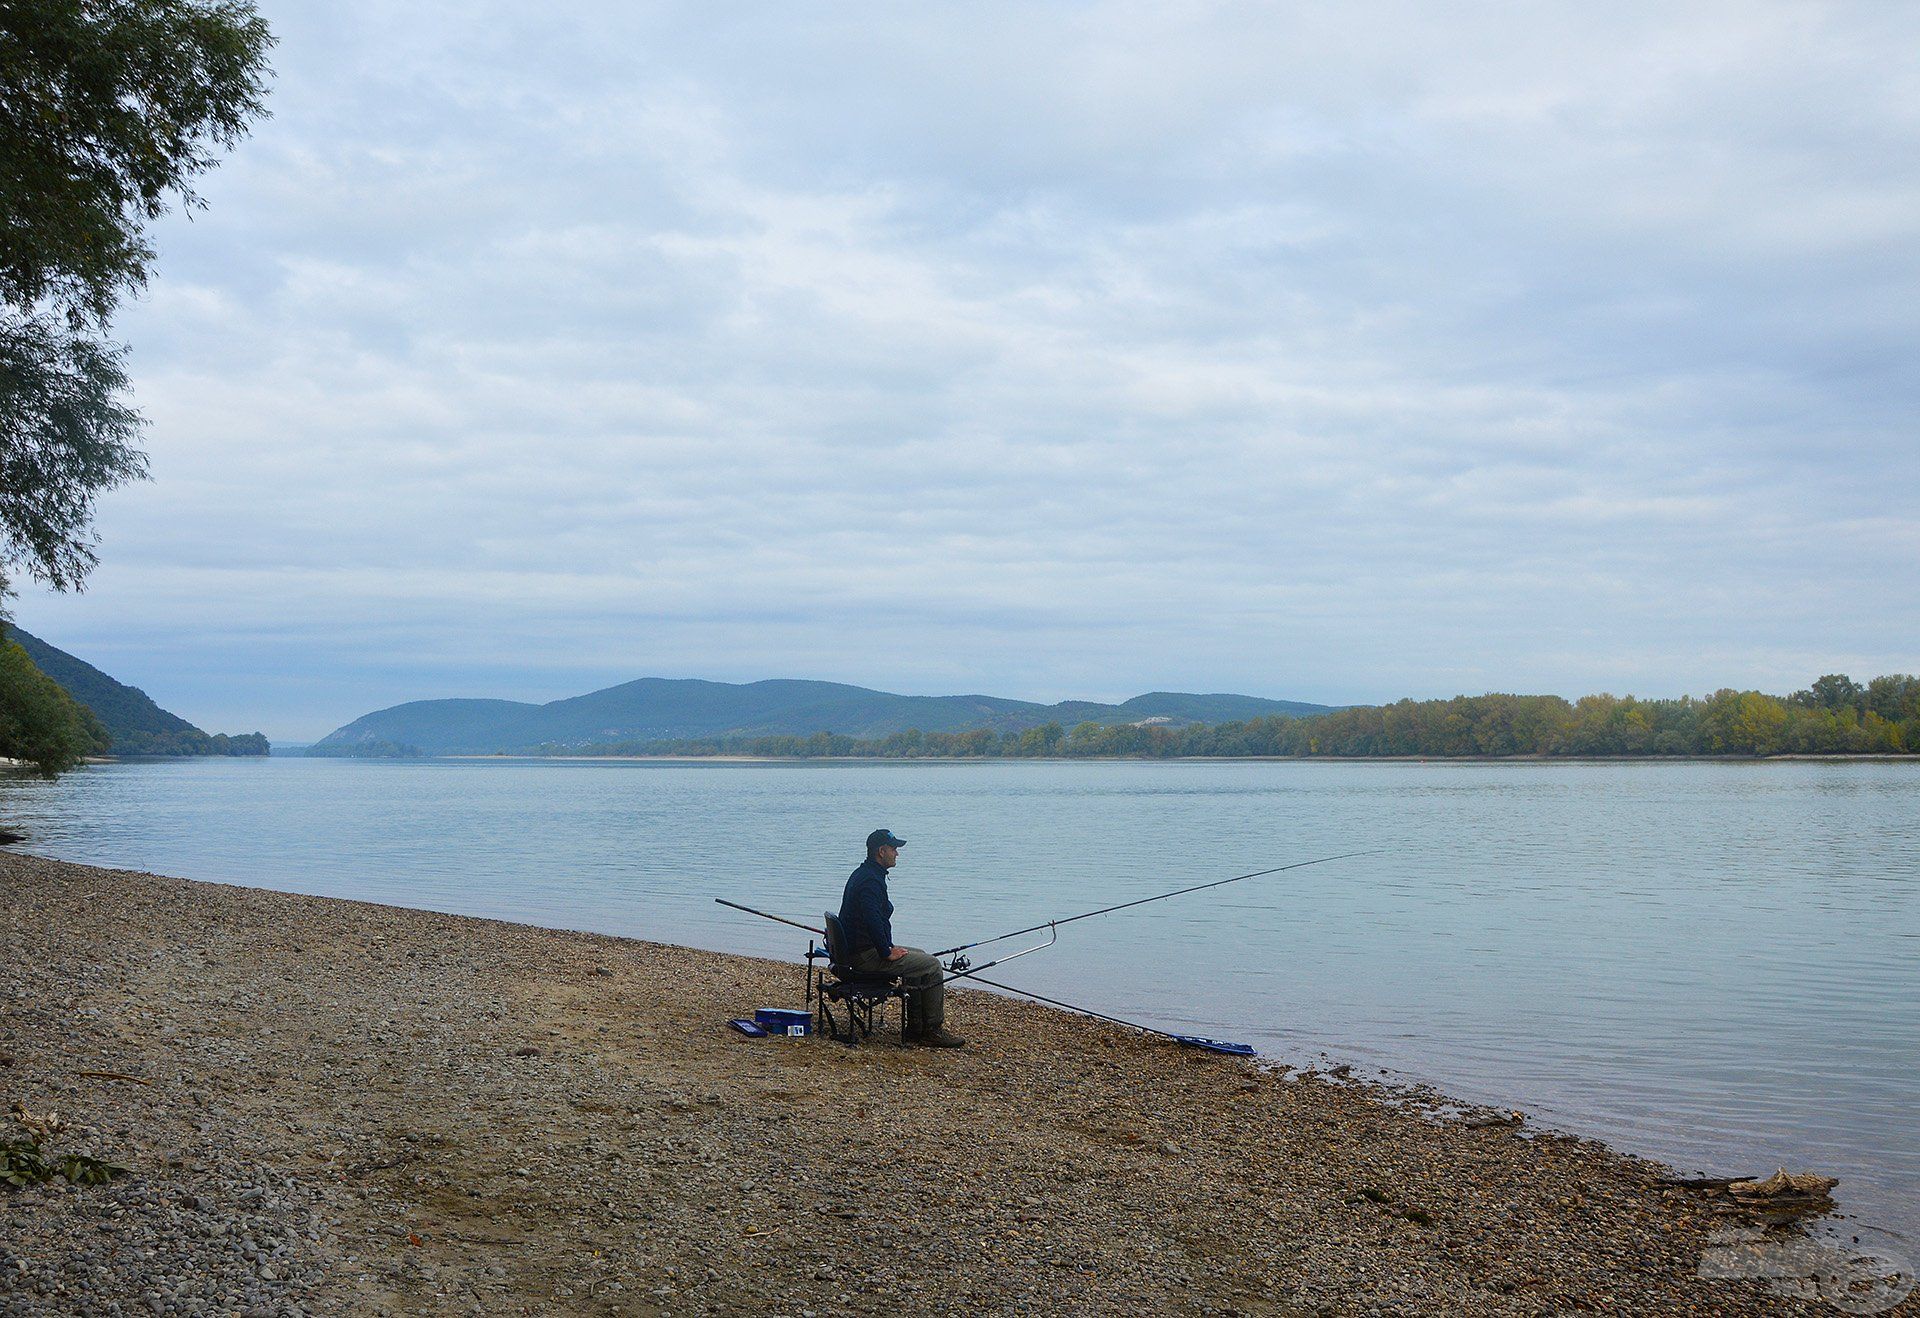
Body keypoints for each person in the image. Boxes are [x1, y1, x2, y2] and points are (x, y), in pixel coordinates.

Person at [839, 828, 965, 1048]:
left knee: (921, 957)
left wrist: (888, 946)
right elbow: (872, 920)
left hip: (858, 950)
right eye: (894, 849)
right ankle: (933, 1030)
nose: (897, 853)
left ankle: (916, 1028)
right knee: (933, 966)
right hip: (864, 956)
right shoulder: (870, 880)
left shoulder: (865, 874)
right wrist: (887, 952)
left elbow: (873, 920)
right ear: (881, 851)